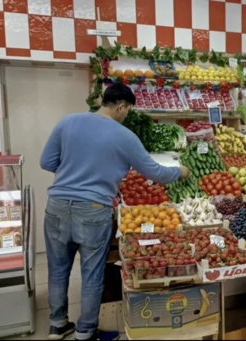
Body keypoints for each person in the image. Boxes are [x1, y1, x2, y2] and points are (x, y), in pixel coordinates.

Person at [40, 83, 189, 341]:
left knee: (57, 269)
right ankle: (85, 333)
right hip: (93, 210)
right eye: (128, 109)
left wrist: (74, 174)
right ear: (121, 106)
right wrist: (179, 171)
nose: (127, 114)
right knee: (91, 274)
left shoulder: (68, 122)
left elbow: (47, 162)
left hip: (57, 206)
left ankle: (57, 325)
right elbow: (155, 172)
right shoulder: (125, 136)